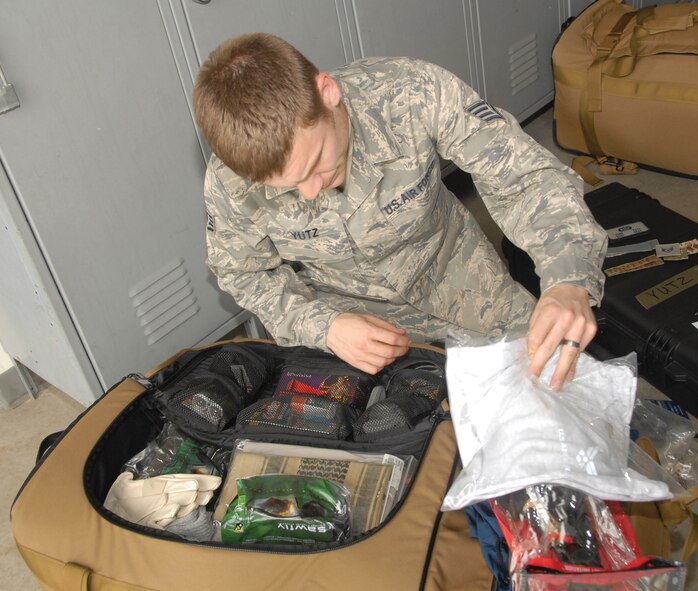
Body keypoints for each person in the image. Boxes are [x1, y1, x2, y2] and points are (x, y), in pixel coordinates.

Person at [193, 33, 607, 390]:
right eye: (286, 186)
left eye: (317, 162)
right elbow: (242, 273)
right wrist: (324, 326)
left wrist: (568, 279)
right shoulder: (230, 182)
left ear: (327, 92)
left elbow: (525, 178)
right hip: (348, 315)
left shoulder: (410, 92)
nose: (310, 190)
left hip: (459, 275)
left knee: (556, 381)